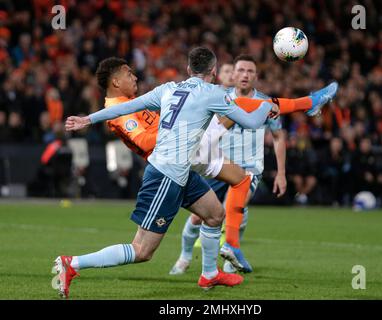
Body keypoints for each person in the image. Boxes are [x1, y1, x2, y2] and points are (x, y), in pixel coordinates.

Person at [54, 47, 279, 298]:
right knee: (142, 251)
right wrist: (269, 105)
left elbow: (123, 108)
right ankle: (71, 264)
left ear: (188, 70)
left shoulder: (168, 89)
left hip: (181, 171)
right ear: (214, 72)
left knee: (215, 215)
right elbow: (252, 122)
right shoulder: (212, 94)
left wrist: (88, 119)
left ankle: (209, 274)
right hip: (166, 175)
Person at [169, 54, 339, 274]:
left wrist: (281, 173)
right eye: (240, 70)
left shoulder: (265, 101)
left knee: (236, 209)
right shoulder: (221, 96)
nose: (245, 75)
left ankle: (229, 259)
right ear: (233, 74)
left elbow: (278, 137)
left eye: (250, 71)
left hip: (249, 167)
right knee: (198, 217)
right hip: (218, 165)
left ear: (256, 76)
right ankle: (184, 257)